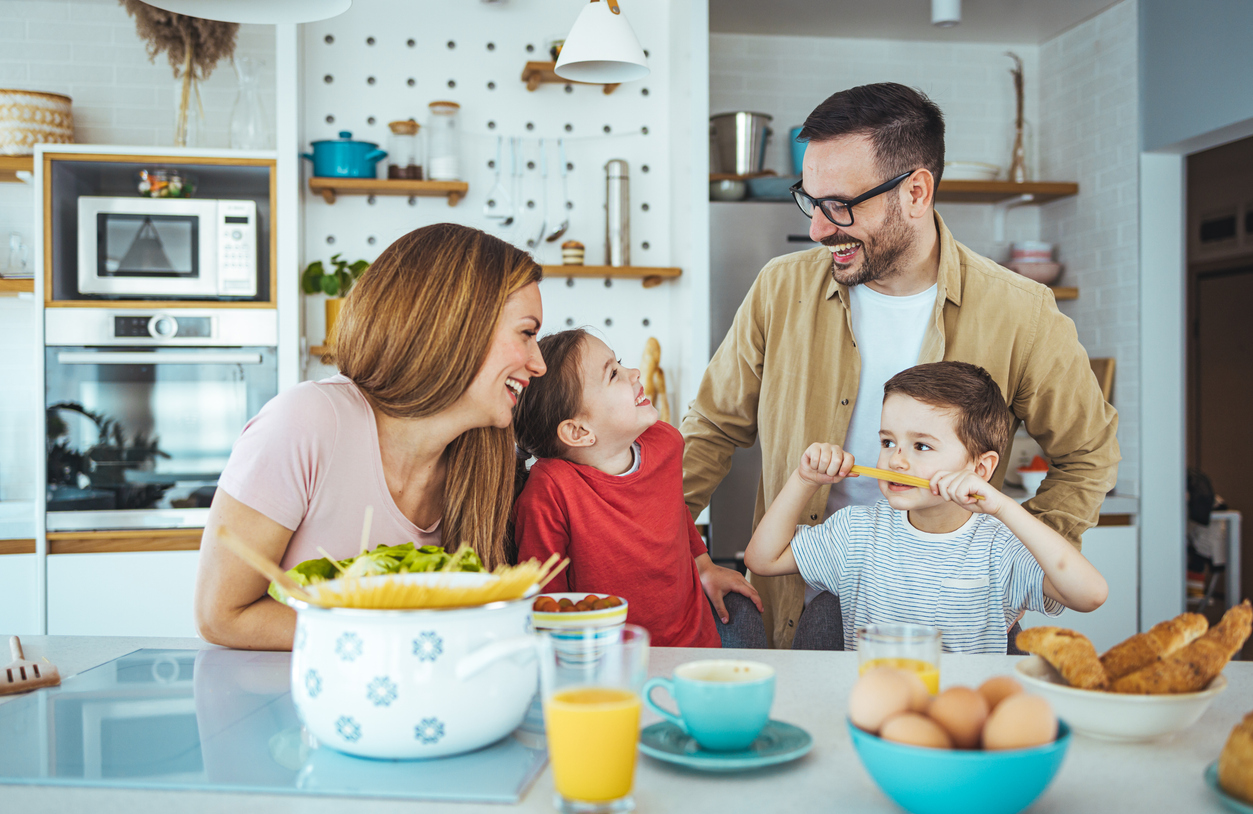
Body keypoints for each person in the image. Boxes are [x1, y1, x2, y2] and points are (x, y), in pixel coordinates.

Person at [681, 82, 1120, 649]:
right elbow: (711, 431)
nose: (818, 228)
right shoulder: (778, 288)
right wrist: (674, 549)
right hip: (799, 607)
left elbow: (1087, 455)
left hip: (951, 619)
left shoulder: (1020, 310)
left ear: (916, 192)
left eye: (839, 205)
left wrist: (1020, 566)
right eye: (811, 202)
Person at [194, 224, 547, 650]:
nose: (538, 363)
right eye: (527, 333)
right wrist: (399, 634)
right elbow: (222, 615)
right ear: (457, 324)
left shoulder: (485, 460)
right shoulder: (306, 422)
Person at [744, 362, 1108, 653]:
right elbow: (762, 560)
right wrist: (804, 480)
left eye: (921, 447)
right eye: (888, 442)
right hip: (872, 710)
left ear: (979, 469)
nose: (895, 461)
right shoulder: (856, 532)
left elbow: (1090, 595)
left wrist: (1004, 508)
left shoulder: (1002, 546)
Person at [512, 329, 763, 648]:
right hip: (607, 660)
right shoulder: (549, 490)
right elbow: (547, 597)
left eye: (619, 363)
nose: (634, 373)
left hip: (693, 645)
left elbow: (676, 512)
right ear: (578, 431)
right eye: (613, 374)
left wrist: (704, 565)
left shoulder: (666, 442)